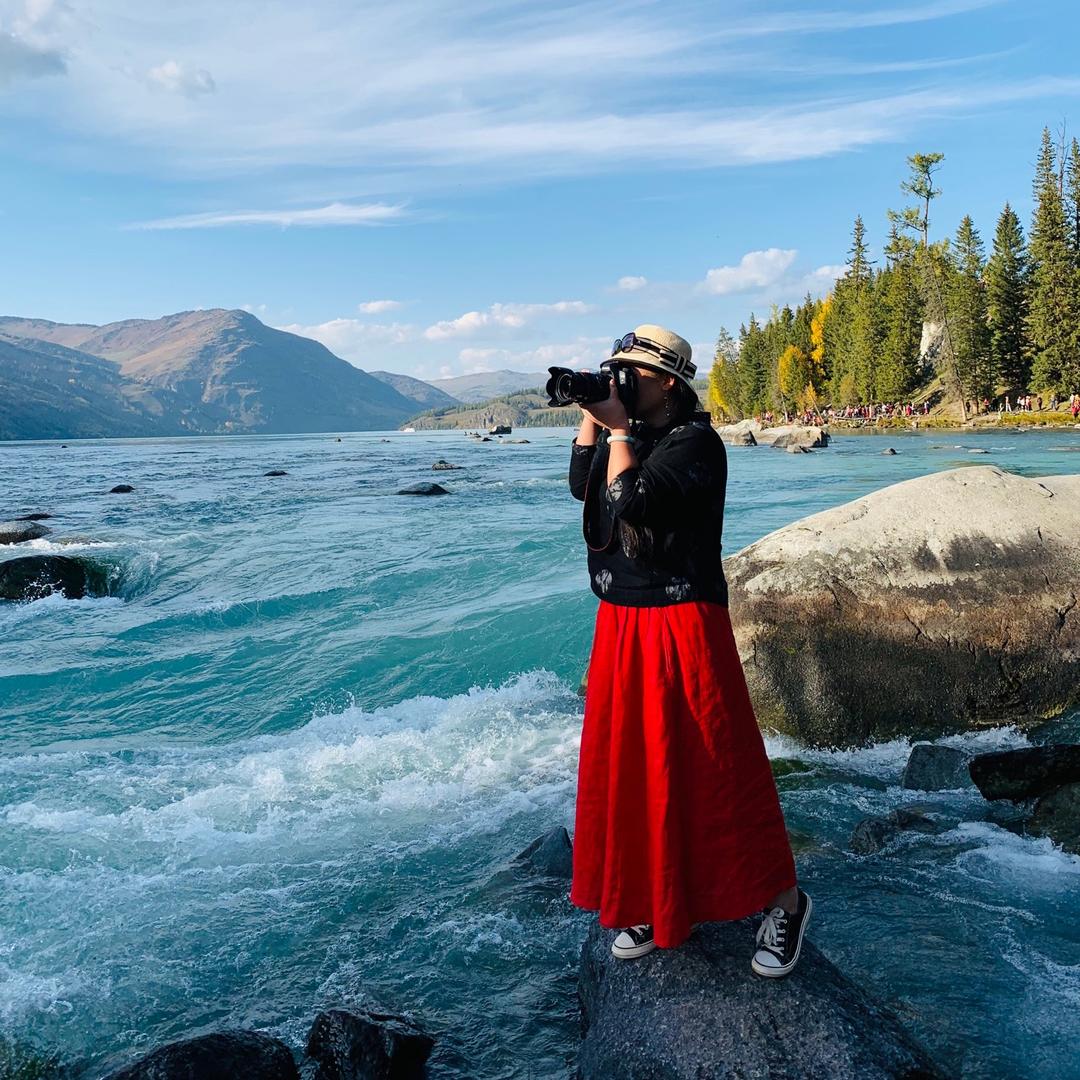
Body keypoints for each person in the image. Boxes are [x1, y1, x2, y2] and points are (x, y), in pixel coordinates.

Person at [566, 323, 811, 978]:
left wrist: (616, 431)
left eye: (630, 374)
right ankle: (650, 895)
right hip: (622, 620)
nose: (618, 381)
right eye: (610, 369)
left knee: (716, 764)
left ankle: (786, 903)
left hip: (682, 622)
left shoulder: (695, 445)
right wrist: (594, 419)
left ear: (667, 384)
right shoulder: (637, 437)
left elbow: (629, 502)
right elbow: (582, 491)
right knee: (633, 768)